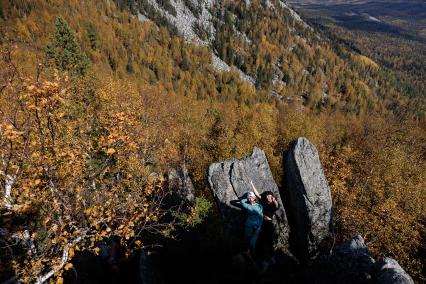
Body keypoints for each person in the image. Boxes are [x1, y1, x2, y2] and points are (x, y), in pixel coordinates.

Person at [250, 181, 279, 272]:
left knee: (269, 240)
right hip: (262, 223)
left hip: (269, 224)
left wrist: (274, 200)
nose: (268, 197)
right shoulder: (263, 202)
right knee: (262, 240)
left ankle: (272, 257)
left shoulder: (273, 205)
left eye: (269, 196)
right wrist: (252, 184)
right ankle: (264, 259)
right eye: (267, 196)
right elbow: (257, 194)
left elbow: (277, 206)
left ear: (272, 197)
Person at [239, 191, 263, 257]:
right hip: (248, 226)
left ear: (254, 198)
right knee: (246, 242)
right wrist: (247, 198)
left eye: (251, 197)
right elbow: (241, 201)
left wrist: (259, 227)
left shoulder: (259, 206)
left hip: (256, 227)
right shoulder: (247, 205)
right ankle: (249, 257)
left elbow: (261, 217)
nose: (250, 199)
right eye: (248, 198)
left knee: (252, 243)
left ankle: (253, 256)